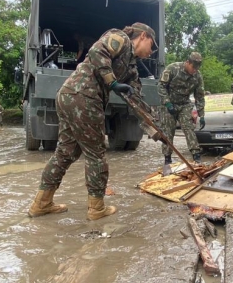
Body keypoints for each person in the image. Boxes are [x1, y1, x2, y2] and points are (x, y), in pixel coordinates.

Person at [28, 22, 157, 221]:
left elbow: (135, 98)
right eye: (152, 46)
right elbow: (98, 51)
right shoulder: (120, 38)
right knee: (96, 154)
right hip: (83, 97)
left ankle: (41, 203)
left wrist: (153, 125)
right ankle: (96, 208)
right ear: (143, 37)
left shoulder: (131, 67)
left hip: (70, 96)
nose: (151, 52)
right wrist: (112, 82)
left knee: (65, 152)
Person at [157, 52, 206, 165]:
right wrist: (167, 103)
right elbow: (161, 86)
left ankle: (196, 156)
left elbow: (200, 95)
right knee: (168, 131)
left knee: (189, 128)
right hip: (169, 104)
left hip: (184, 104)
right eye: (193, 67)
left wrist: (201, 114)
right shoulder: (173, 68)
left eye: (197, 68)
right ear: (187, 62)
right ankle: (167, 158)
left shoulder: (197, 75)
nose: (194, 70)